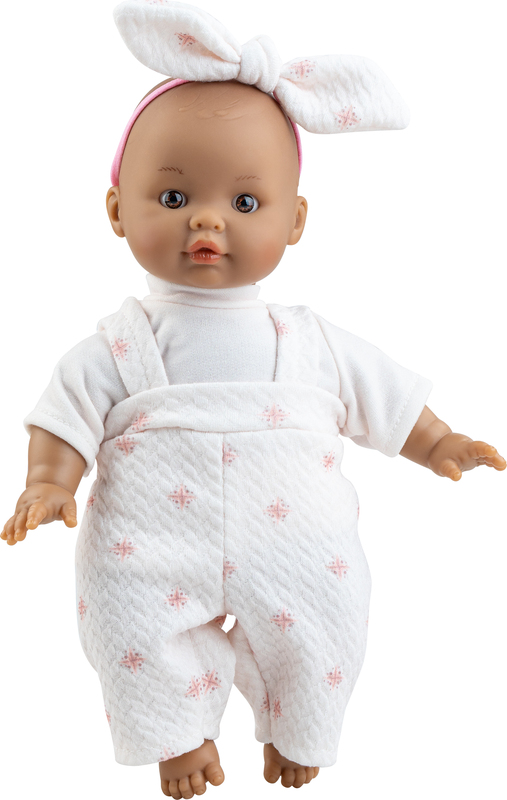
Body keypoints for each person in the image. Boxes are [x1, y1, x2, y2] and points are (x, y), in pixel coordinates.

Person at [2, 4, 505, 799]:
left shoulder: (312, 340)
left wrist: (437, 441)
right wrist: (49, 481)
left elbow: (385, 399)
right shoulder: (118, 345)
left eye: (244, 204)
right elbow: (65, 412)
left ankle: (301, 723)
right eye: (173, 197)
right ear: (116, 211)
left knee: (328, 618)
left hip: (299, 544)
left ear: (294, 221)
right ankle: (177, 735)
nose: (207, 218)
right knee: (128, 623)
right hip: (149, 544)